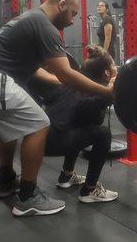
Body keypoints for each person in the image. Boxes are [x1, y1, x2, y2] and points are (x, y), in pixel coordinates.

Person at [0, 0, 114, 217]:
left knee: (9, 126)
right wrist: (107, 93)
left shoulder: (29, 19)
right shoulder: (45, 26)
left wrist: (60, 82)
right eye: (73, 14)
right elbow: (67, 74)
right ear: (62, 5)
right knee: (39, 123)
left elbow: (39, 72)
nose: (73, 21)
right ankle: (28, 196)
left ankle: (6, 182)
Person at [44, 45, 118, 203]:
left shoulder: (72, 82)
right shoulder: (96, 92)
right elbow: (96, 119)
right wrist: (111, 91)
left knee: (78, 127)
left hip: (39, 139)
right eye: (113, 65)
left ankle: (67, 175)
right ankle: (89, 190)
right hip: (54, 142)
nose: (116, 67)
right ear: (106, 73)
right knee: (103, 134)